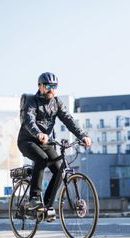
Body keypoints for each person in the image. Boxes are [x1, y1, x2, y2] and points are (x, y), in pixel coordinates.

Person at [17, 72, 91, 221]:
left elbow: (69, 120)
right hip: (28, 141)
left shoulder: (56, 103)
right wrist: (38, 133)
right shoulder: (31, 101)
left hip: (46, 142)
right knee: (42, 159)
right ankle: (34, 198)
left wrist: (82, 135)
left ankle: (47, 206)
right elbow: (28, 120)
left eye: (54, 86)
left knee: (60, 169)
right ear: (40, 86)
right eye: (48, 86)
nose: (52, 89)